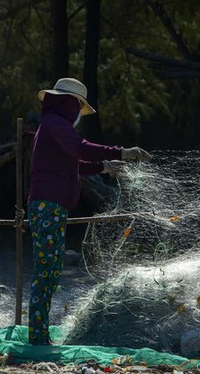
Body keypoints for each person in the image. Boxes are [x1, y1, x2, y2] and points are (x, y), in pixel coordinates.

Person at [27, 77, 151, 345]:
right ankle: (37, 337)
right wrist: (122, 152)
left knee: (51, 268)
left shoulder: (50, 125)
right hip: (48, 205)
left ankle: (40, 333)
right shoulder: (55, 124)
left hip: (52, 205)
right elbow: (79, 148)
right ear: (70, 104)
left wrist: (105, 167)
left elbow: (73, 163)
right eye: (78, 107)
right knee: (47, 270)